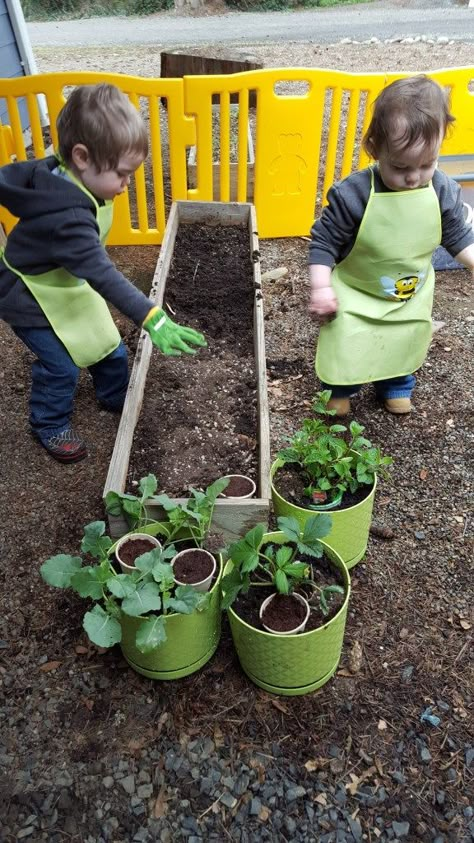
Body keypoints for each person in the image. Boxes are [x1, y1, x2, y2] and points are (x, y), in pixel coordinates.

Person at [0, 83, 206, 463]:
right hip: (30, 293)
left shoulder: (63, 172)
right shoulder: (67, 217)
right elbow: (102, 273)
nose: (127, 185)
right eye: (122, 175)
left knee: (106, 341)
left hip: (65, 278)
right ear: (81, 157)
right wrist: (151, 316)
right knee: (60, 366)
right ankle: (48, 422)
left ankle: (115, 396)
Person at [308, 75, 474, 416]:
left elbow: (458, 236)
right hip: (357, 290)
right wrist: (321, 287)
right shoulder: (354, 193)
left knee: (405, 337)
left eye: (427, 164)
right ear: (374, 148)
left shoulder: (441, 189)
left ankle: (396, 385)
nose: (414, 177)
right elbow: (323, 242)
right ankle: (340, 390)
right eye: (400, 167)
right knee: (347, 339)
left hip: (408, 291)